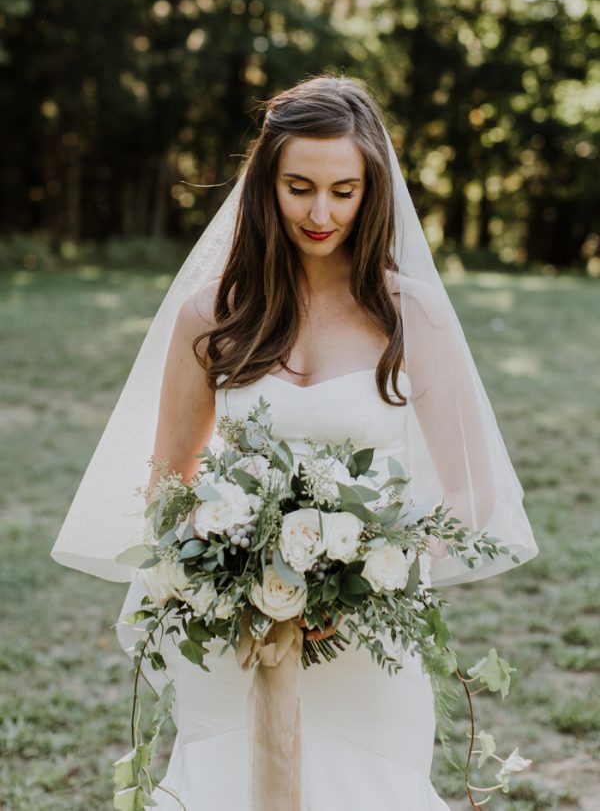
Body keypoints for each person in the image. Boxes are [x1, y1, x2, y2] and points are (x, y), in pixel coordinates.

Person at [52, 74, 538, 810]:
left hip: (365, 645)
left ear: (372, 189)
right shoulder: (211, 316)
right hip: (237, 635)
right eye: (299, 186)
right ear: (265, 184)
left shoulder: (413, 317)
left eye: (344, 191)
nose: (321, 212)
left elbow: (473, 494)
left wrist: (380, 572)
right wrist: (227, 570)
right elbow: (167, 483)